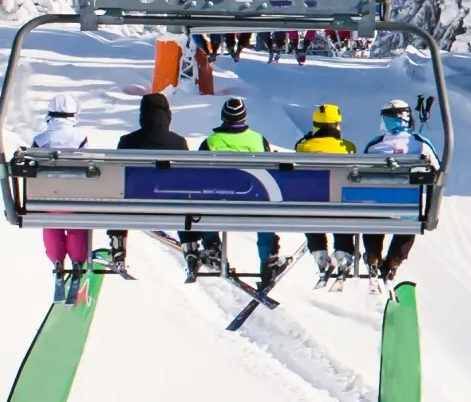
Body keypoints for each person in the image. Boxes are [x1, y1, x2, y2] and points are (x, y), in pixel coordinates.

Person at [198, 98, 283, 285]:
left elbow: (199, 175)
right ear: (244, 116)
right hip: (255, 201)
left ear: (223, 116)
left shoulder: (211, 142)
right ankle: (268, 258)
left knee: (202, 202)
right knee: (267, 212)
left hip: (219, 202)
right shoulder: (258, 140)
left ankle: (212, 246)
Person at [113, 93, 190, 269]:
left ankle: (118, 244)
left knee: (118, 194)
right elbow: (186, 176)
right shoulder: (178, 142)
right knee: (185, 197)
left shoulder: (128, 141)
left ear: (142, 115)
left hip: (134, 201)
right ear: (168, 115)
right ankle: (190, 246)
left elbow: (117, 172)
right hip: (172, 202)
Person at [361, 98, 434, 280]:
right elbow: (437, 171)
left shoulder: (374, 146)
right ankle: (395, 259)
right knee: (410, 221)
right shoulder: (420, 144)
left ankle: (373, 256)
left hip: (376, 209)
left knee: (373, 218)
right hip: (408, 209)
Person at [32, 94, 91, 303]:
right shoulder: (80, 138)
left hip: (47, 200)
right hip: (74, 199)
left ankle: (57, 262)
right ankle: (77, 262)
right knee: (76, 227)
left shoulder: (40, 140)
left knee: (52, 225)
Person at [296, 103, 359, 284]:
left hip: (313, 203)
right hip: (340, 203)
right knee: (343, 209)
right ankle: (343, 252)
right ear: (337, 124)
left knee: (309, 209)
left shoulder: (304, 147)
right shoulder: (348, 147)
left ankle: (319, 252)